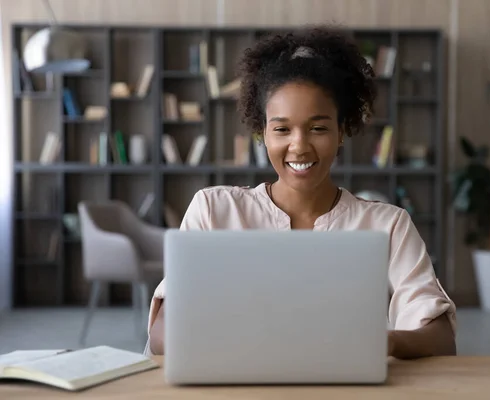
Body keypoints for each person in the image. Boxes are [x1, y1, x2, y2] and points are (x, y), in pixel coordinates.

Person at [146, 26, 457, 359]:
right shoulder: (213, 210)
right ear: (262, 134)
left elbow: (440, 338)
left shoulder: (388, 225)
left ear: (342, 131)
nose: (299, 146)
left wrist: (385, 342)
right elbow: (162, 335)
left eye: (318, 128)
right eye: (281, 129)